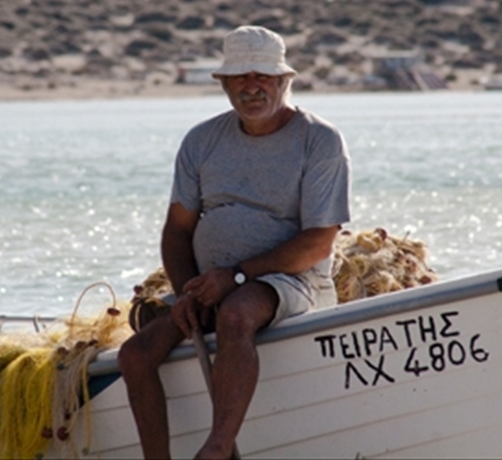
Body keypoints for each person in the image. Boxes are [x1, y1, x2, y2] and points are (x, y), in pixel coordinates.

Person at [117, 25, 351, 459]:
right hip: (212, 282)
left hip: (290, 283)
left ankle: (218, 446)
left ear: (284, 80)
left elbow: (319, 242)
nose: (252, 86)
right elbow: (178, 230)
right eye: (240, 77)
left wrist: (238, 275)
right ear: (224, 85)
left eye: (263, 75)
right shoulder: (202, 141)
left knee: (237, 312)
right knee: (136, 354)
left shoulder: (319, 140)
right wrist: (188, 291)